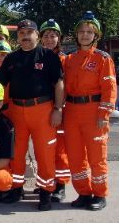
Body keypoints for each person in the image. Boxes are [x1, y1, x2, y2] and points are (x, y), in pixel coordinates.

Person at [0, 19, 64, 211]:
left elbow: (59, 84)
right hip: (17, 111)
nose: (25, 36)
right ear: (18, 37)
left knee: (45, 154)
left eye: (29, 32)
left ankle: (46, 192)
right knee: (16, 153)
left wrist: (58, 109)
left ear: (36, 35)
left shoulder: (48, 56)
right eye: (22, 33)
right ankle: (17, 188)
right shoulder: (11, 58)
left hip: (43, 110)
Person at [63, 11, 117, 211]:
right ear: (76, 35)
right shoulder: (69, 59)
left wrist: (104, 114)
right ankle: (84, 193)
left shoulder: (103, 59)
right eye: (81, 31)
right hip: (72, 112)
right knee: (76, 156)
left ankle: (100, 194)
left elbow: (110, 88)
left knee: (97, 156)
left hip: (94, 112)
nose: (85, 35)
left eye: (89, 32)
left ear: (96, 36)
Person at [38, 19, 70, 202]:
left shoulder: (65, 60)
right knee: (44, 149)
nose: (50, 39)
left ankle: (60, 185)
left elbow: (66, 87)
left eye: (53, 36)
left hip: (59, 109)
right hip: (42, 109)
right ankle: (46, 183)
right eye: (46, 36)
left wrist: (59, 108)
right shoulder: (38, 58)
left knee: (59, 150)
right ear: (41, 39)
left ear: (59, 38)